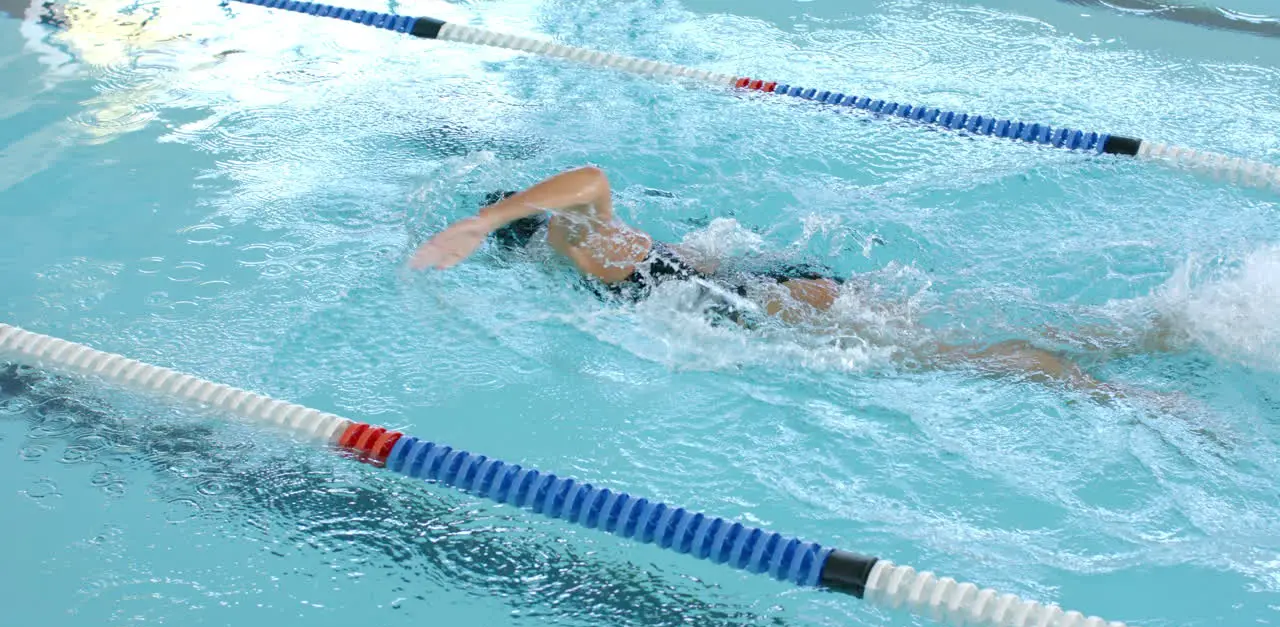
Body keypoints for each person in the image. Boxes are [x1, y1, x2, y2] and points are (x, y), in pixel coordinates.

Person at [409, 165, 1165, 398]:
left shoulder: (573, 240)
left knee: (949, 356)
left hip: (768, 300)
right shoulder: (600, 245)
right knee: (945, 335)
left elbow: (587, 178)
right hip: (779, 282)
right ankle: (1151, 333)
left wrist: (481, 222)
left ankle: (1120, 393)